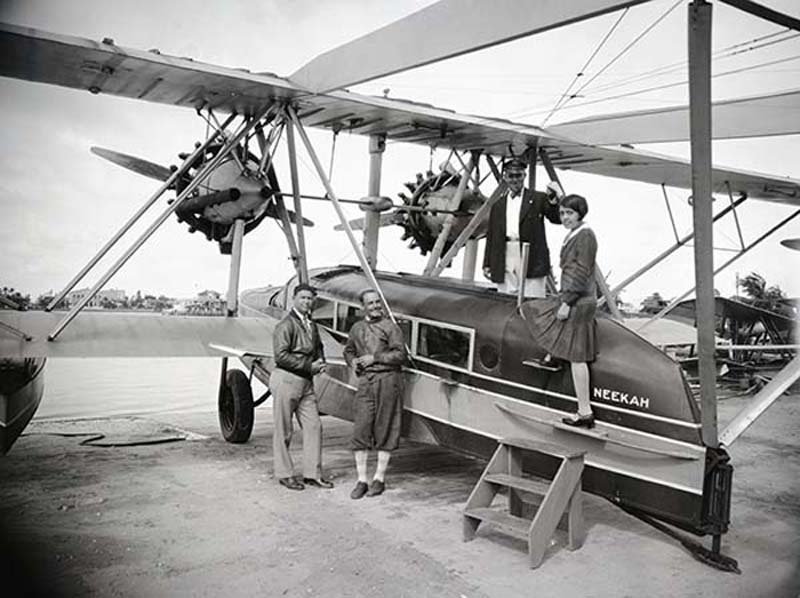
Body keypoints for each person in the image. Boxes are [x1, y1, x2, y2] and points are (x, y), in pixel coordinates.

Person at [521, 194, 598, 428]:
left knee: (577, 358)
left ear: (580, 214)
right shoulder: (576, 234)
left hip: (579, 300)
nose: (565, 218)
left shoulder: (584, 236)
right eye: (563, 213)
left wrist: (567, 301)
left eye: (570, 213)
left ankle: (584, 412)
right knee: (541, 311)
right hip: (578, 297)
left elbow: (580, 271)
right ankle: (551, 355)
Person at [343, 289, 407, 499]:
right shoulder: (357, 328)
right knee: (361, 429)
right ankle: (361, 480)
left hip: (387, 381)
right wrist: (352, 361)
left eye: (378, 302)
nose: (375, 306)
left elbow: (400, 355)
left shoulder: (391, 327)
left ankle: (379, 479)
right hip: (365, 383)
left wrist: (375, 358)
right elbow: (349, 350)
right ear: (363, 307)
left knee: (385, 428)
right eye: (370, 303)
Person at [270, 283, 333, 490]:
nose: (307, 302)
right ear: (294, 300)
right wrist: (309, 365)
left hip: (306, 382)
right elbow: (280, 356)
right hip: (287, 380)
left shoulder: (311, 324)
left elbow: (319, 347)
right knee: (284, 429)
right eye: (303, 298)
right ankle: (284, 474)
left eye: (310, 299)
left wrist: (321, 362)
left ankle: (312, 474)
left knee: (314, 426)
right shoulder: (285, 325)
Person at [483, 157, 564, 297]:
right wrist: (487, 263)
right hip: (505, 253)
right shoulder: (498, 205)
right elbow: (491, 235)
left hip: (531, 255)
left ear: (524, 176)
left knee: (532, 299)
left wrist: (554, 201)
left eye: (518, 175)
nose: (515, 180)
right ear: (505, 177)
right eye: (511, 176)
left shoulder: (538, 198)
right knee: (505, 300)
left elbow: (556, 219)